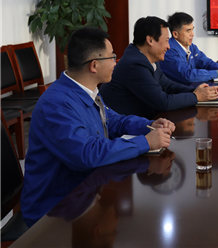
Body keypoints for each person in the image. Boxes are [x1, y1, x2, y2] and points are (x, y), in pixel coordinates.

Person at [21, 27, 175, 226]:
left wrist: (149, 126)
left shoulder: (87, 90)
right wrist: (145, 143)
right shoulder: (57, 104)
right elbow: (86, 154)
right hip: (54, 210)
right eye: (112, 57)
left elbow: (112, 120)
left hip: (85, 191)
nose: (116, 62)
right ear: (94, 65)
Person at [101, 16, 218, 118]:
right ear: (150, 40)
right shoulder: (134, 65)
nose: (169, 46)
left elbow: (167, 85)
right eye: (167, 40)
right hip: (123, 128)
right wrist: (196, 96)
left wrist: (194, 90)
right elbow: (163, 102)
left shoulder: (149, 58)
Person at [159, 12, 218, 86]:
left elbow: (206, 63)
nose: (192, 34)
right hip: (177, 92)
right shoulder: (169, 50)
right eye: (188, 31)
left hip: (192, 89)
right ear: (175, 34)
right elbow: (187, 75)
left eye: (192, 30)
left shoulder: (191, 47)